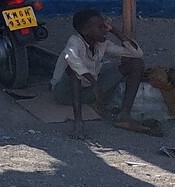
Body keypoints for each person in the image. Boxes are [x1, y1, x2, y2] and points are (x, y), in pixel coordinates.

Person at [52, 9, 156, 137]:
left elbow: (136, 53)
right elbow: (73, 60)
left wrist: (114, 30)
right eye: (100, 27)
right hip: (64, 93)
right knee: (73, 71)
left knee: (136, 63)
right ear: (85, 31)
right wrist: (95, 83)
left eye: (105, 26)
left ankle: (124, 115)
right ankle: (78, 123)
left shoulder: (101, 44)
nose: (105, 30)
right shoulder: (74, 42)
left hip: (89, 91)